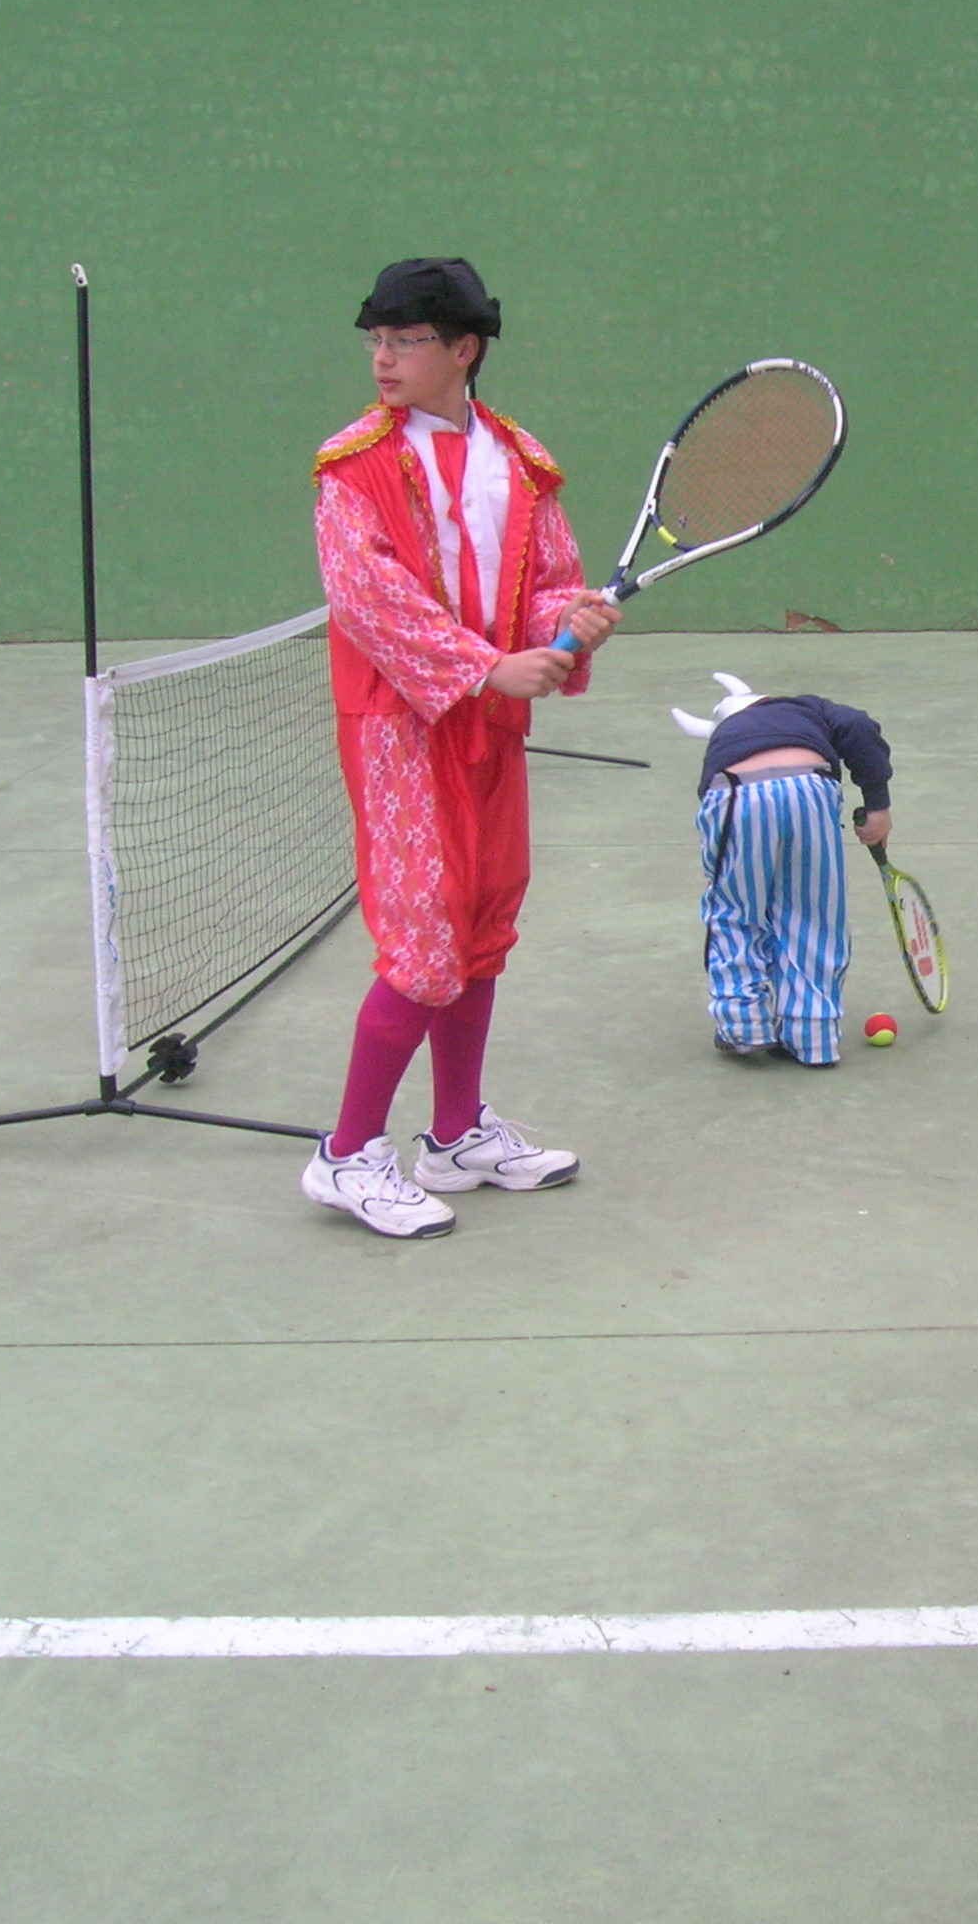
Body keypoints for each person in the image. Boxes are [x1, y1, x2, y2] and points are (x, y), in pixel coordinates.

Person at [301, 258, 618, 1240]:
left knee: (482, 921)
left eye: (406, 340)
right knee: (423, 938)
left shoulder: (520, 462)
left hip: (491, 727)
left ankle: (454, 1135)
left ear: (464, 350)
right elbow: (370, 601)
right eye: (377, 340)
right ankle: (347, 1154)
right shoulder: (351, 469)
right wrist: (487, 669)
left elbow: (549, 577)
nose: (383, 358)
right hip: (400, 728)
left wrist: (568, 627)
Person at [672, 672, 893, 1067]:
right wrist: (877, 805)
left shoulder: (724, 740)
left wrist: (718, 872)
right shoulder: (807, 707)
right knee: (814, 914)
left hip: (735, 790)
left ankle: (743, 1027)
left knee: (735, 912)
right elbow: (859, 726)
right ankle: (813, 1035)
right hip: (811, 787)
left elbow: (717, 844)